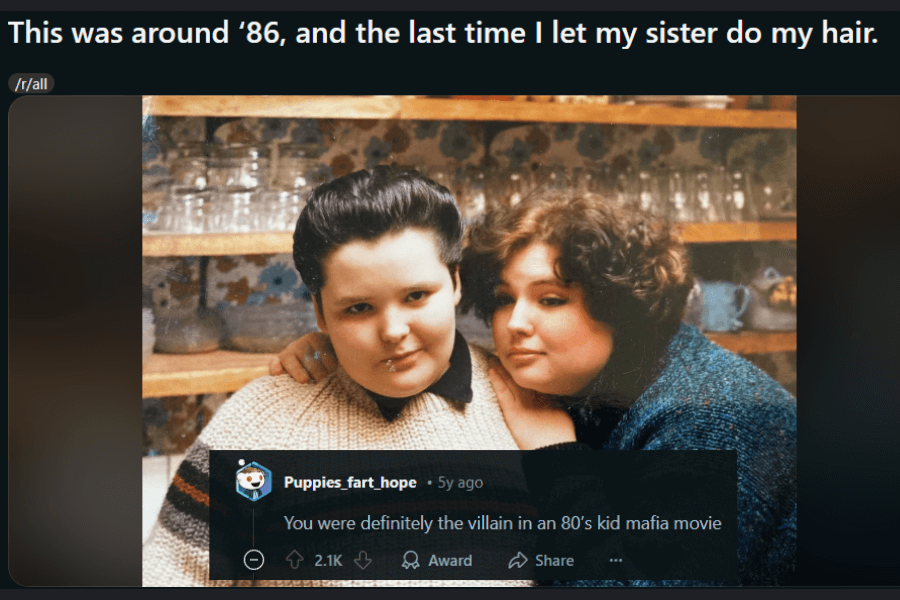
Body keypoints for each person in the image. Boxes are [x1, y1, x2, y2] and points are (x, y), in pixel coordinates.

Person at [273, 193, 797, 586]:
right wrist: (334, 343)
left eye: (550, 300)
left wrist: (556, 459)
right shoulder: (583, 375)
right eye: (503, 299)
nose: (514, 324)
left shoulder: (712, 414)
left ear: (619, 307)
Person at [142, 166, 528, 587]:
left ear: (454, 282)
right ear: (321, 314)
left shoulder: (527, 399)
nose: (394, 331)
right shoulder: (259, 425)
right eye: (359, 308)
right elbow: (168, 574)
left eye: (416, 296)